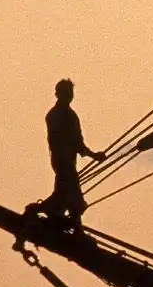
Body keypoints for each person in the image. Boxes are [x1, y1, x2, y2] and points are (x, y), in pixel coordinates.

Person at [30, 79, 106, 230]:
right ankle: (43, 212)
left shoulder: (69, 115)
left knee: (65, 194)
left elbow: (78, 143)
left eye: (70, 92)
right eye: (66, 92)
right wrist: (93, 156)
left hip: (67, 161)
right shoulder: (57, 115)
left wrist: (93, 155)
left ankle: (60, 219)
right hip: (62, 161)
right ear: (58, 94)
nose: (69, 95)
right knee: (75, 200)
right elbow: (65, 141)